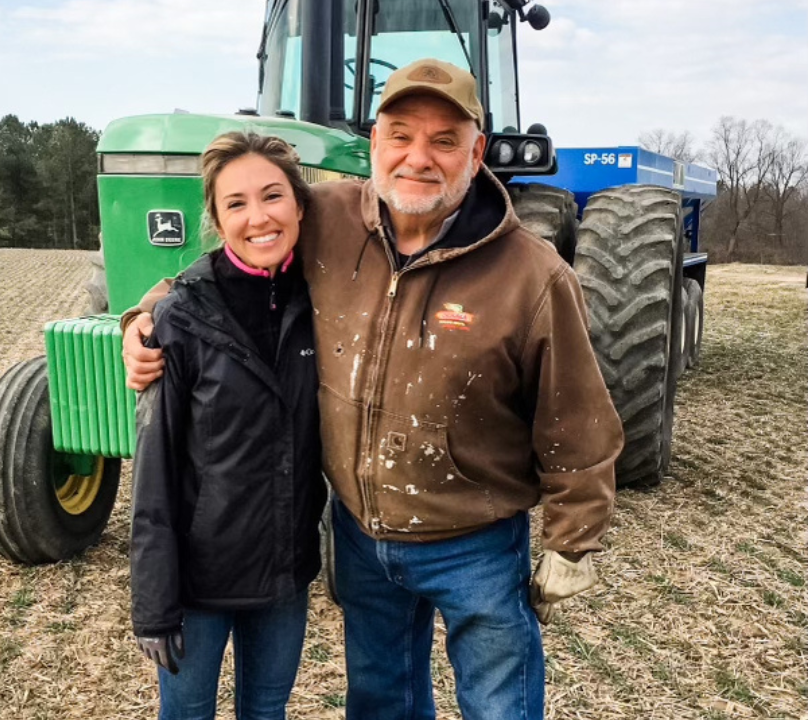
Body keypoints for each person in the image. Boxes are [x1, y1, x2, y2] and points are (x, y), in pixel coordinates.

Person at [124, 59, 624, 720]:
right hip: (362, 537)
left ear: (476, 153)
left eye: (445, 140)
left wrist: (572, 539)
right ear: (375, 142)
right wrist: (146, 316)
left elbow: (578, 422)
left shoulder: (533, 275)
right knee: (383, 701)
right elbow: (228, 267)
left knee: (500, 706)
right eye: (401, 135)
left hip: (474, 544)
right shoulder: (327, 217)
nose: (419, 157)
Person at [129, 131, 326, 720]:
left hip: (283, 577)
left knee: (265, 712)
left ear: (298, 202)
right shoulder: (181, 318)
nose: (258, 218)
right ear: (215, 218)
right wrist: (155, 606)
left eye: (272, 196)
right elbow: (154, 473)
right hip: (199, 586)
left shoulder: (323, 300)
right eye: (236, 204)